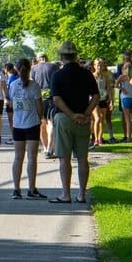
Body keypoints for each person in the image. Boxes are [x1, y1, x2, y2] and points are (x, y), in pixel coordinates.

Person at [49, 41, 99, 203]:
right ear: (76, 56)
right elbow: (96, 96)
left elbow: (56, 99)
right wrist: (85, 113)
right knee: (83, 158)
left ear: (62, 56)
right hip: (83, 119)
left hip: (64, 118)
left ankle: (66, 194)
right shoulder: (86, 74)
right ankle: (82, 194)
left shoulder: (57, 75)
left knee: (64, 158)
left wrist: (71, 115)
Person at [7, 58, 45, 200]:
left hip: (18, 125)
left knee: (18, 157)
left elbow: (11, 103)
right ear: (30, 69)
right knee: (32, 158)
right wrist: (41, 116)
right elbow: (39, 106)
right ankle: (31, 188)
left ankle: (16, 189)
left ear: (16, 68)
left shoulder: (13, 85)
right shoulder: (35, 86)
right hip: (32, 124)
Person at [30, 53, 60, 158]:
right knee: (51, 123)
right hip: (51, 97)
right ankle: (49, 149)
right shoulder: (54, 67)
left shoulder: (34, 68)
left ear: (38, 59)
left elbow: (32, 83)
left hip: (39, 97)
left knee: (41, 123)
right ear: (47, 58)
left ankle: (45, 147)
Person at [91, 57, 115, 146]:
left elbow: (109, 89)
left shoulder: (105, 76)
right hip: (94, 100)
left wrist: (111, 101)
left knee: (102, 119)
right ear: (94, 66)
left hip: (103, 99)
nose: (99, 67)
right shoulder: (92, 76)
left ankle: (100, 138)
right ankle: (95, 139)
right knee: (97, 118)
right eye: (98, 65)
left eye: (101, 65)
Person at [115, 62, 132, 142]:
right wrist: (122, 89)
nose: (128, 69)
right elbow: (116, 85)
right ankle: (131, 137)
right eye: (127, 68)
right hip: (127, 98)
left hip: (130, 98)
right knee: (131, 118)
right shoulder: (123, 77)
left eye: (129, 68)